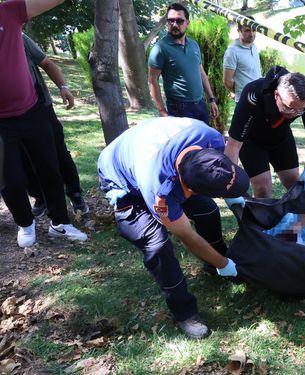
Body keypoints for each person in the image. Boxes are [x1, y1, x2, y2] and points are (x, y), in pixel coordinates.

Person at [97, 117, 249, 339]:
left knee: (207, 211)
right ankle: (185, 312)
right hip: (121, 178)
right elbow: (187, 237)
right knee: (157, 246)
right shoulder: (162, 192)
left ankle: (213, 266)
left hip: (150, 152)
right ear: (190, 189)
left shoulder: (211, 139)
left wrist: (234, 196)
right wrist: (225, 264)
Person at [0, 0, 88, 248]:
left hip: (31, 110)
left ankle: (60, 223)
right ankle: (25, 224)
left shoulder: (8, 12)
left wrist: (64, 86)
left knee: (49, 167)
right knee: (11, 178)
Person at [224, 66, 305, 200]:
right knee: (262, 187)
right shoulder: (253, 94)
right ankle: (262, 219)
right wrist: (231, 185)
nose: (294, 114)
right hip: (252, 141)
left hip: (281, 138)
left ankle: (296, 219)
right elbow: (233, 145)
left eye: (300, 110)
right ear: (277, 95)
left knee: (295, 184)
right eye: (290, 108)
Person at [21, 33, 89, 217]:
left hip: (40, 106)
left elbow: (47, 63)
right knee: (24, 158)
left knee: (59, 152)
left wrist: (63, 87)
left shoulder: (17, 36)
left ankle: (75, 194)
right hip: (8, 115)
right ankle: (39, 196)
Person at [148, 3, 219, 124]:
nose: (174, 24)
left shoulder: (194, 45)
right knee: (187, 144)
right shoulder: (160, 48)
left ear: (187, 23)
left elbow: (201, 73)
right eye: (171, 21)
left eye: (179, 21)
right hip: (179, 109)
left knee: (204, 142)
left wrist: (211, 99)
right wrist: (162, 112)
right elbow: (153, 81)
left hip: (200, 105)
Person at [223, 16, 262, 103]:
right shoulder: (232, 52)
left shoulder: (254, 47)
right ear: (239, 31)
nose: (251, 34)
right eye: (247, 30)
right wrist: (241, 93)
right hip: (244, 102)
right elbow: (227, 81)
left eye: (254, 30)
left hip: (258, 99)